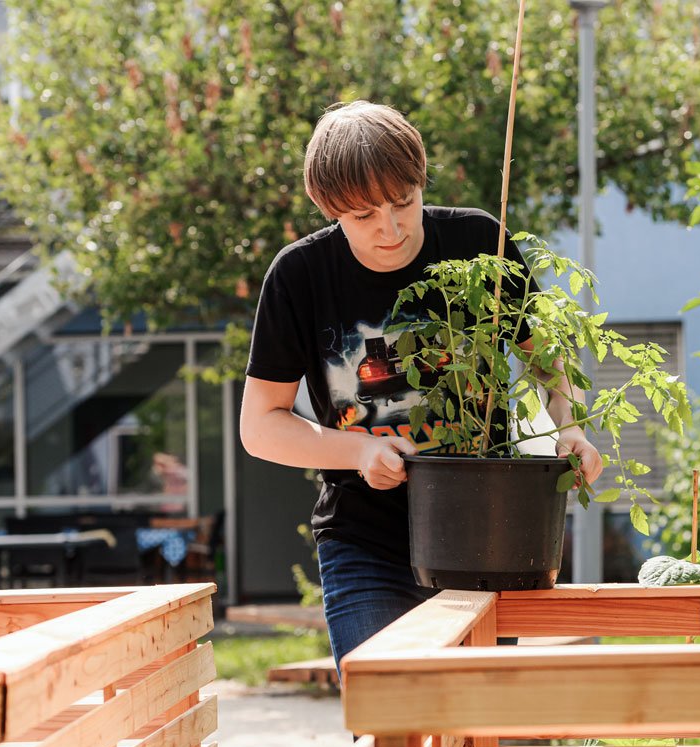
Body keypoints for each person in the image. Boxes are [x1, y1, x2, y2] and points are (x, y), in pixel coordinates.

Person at [239, 101, 602, 670]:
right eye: (362, 216)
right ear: (328, 207)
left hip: (487, 536)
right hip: (364, 543)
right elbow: (260, 426)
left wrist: (570, 427)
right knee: (387, 724)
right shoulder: (299, 277)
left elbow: (549, 363)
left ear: (420, 181)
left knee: (478, 727)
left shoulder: (479, 240)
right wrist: (359, 449)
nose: (390, 228)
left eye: (403, 203)